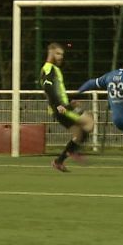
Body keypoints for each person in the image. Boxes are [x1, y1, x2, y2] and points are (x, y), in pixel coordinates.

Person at [40, 42, 95, 172]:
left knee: (78, 133)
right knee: (89, 122)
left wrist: (69, 102)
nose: (60, 57)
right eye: (58, 54)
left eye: (62, 55)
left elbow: (57, 90)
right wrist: (59, 104)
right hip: (61, 108)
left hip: (61, 107)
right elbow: (48, 88)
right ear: (51, 53)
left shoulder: (54, 69)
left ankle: (59, 161)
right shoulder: (49, 68)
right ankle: (74, 151)